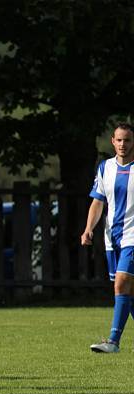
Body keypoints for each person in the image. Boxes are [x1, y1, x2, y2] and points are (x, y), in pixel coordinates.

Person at [81, 122, 134, 353]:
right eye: (119, 140)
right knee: (128, 293)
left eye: (128, 140)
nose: (123, 144)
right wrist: (88, 228)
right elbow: (98, 201)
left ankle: (113, 341)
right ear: (112, 141)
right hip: (112, 239)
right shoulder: (105, 168)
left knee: (122, 283)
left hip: (133, 237)